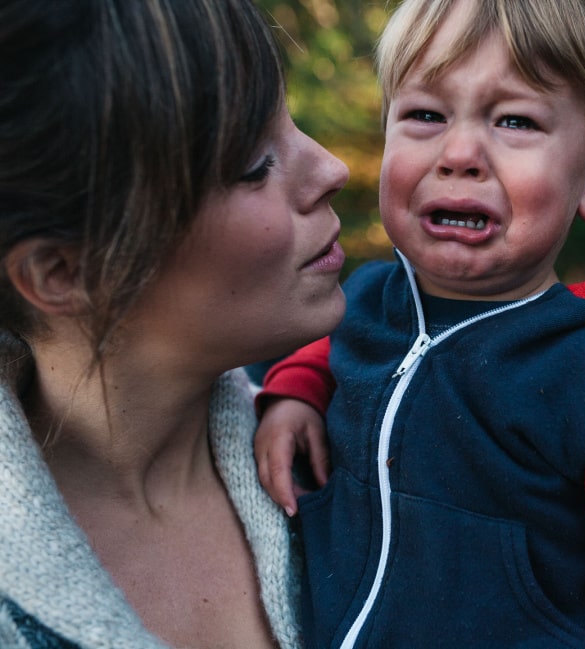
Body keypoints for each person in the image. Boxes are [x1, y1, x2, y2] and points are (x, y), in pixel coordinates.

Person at [254, 0, 585, 646]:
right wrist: (296, 389)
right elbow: (336, 346)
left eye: (516, 120)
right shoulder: (366, 300)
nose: (459, 152)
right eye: (425, 116)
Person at [0, 0, 349, 647]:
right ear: (63, 272)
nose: (332, 168)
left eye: (292, 121)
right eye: (253, 163)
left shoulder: (360, 451)